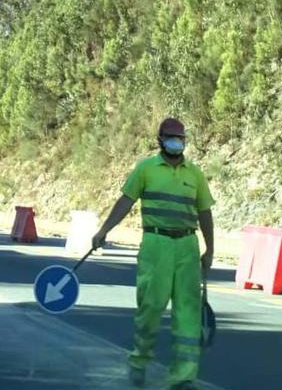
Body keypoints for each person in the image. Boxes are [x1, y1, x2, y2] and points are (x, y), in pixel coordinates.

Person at [91, 118, 215, 390]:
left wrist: (209, 249)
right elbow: (126, 200)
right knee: (150, 307)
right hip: (155, 243)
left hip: (187, 246)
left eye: (180, 138)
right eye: (170, 137)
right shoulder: (146, 169)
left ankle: (183, 376)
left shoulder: (194, 174)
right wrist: (104, 230)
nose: (176, 142)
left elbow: (205, 212)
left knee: (188, 312)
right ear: (160, 140)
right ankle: (139, 361)